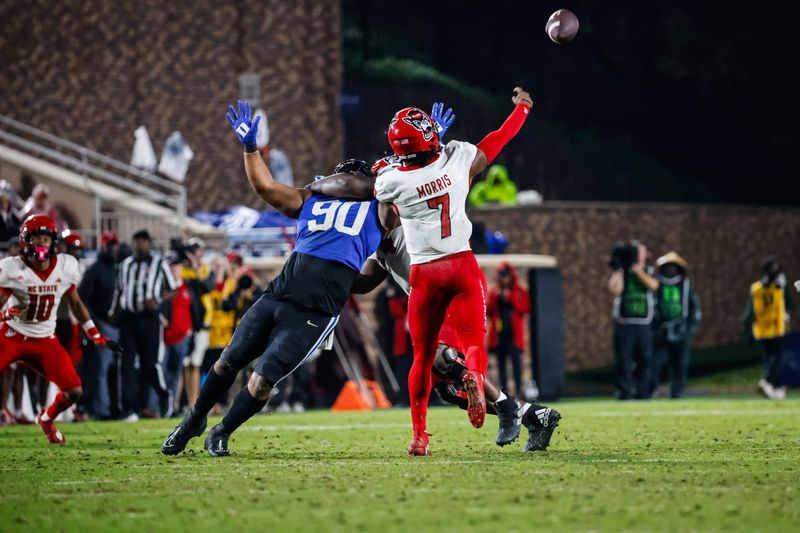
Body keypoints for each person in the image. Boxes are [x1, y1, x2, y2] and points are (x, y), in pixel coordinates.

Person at [161, 101, 384, 457]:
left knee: (262, 380)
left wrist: (381, 264)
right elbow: (264, 186)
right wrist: (250, 149)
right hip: (278, 295)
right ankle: (194, 420)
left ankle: (222, 431)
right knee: (226, 362)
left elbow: (364, 281)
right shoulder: (313, 198)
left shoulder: (380, 207)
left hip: (315, 311)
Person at [373, 87, 533, 455]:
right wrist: (522, 109)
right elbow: (496, 141)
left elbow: (385, 200)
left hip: (425, 273)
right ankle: (474, 378)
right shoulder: (457, 158)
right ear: (432, 136)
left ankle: (419, 436)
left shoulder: (393, 180)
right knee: (474, 342)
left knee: (423, 358)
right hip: (461, 265)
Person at [343, 225, 560, 452]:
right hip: (429, 299)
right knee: (450, 391)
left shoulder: (405, 214)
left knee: (441, 357)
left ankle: (507, 406)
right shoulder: (375, 239)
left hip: (452, 289)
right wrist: (329, 273)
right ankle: (535, 415)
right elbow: (364, 282)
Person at [0, 215, 113, 444]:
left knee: (74, 391)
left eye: (46, 238)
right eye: (36, 238)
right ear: (25, 241)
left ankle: (47, 418)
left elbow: (75, 302)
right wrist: (3, 315)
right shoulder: (13, 268)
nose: (42, 243)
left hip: (44, 339)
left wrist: (93, 333)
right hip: (13, 334)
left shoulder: (65, 266)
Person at [111, 229, 177, 420]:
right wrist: (114, 311)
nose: (140, 244)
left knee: (150, 364)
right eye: (136, 241)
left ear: (149, 242)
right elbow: (120, 290)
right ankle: (131, 409)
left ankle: (164, 396)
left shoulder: (159, 263)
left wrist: (157, 300)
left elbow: (173, 289)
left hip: (149, 318)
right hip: (128, 318)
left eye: (143, 241)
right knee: (126, 365)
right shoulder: (126, 265)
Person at [607, 241, 660, 400]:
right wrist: (619, 269)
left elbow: (654, 285)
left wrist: (639, 272)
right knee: (623, 358)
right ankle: (624, 391)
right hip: (624, 323)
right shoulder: (623, 271)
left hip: (644, 323)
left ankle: (643, 391)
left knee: (645, 359)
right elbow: (615, 289)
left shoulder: (649, 271)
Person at [78, 230, 120, 419]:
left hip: (119, 325)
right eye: (109, 244)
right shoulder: (95, 269)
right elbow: (82, 297)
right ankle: (101, 409)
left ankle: (114, 408)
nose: (112, 248)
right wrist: (94, 322)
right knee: (101, 369)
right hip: (103, 325)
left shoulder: (119, 268)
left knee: (115, 370)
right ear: (102, 246)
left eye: (113, 244)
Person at [652, 252, 702, 398]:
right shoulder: (657, 284)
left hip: (681, 330)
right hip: (661, 331)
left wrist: (689, 329)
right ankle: (650, 389)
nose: (670, 270)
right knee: (655, 363)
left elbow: (694, 308)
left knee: (679, 364)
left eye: (673, 267)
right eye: (667, 267)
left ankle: (678, 391)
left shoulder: (686, 285)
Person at [743, 256, 794, 400]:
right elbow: (790, 304)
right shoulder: (778, 286)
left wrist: (747, 327)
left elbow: (749, 311)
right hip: (775, 328)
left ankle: (775, 388)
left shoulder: (756, 288)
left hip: (763, 329)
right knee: (776, 358)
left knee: (770, 359)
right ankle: (767, 381)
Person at [486, 262, 530, 396]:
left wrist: (510, 297)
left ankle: (519, 390)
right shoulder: (495, 292)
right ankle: (504, 392)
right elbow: (489, 310)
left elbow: (524, 309)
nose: (504, 278)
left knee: (517, 363)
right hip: (499, 335)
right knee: (501, 365)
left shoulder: (519, 291)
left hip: (514, 335)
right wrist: (498, 296)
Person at [181, 237, 214, 408]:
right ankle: (183, 402)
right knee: (185, 364)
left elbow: (207, 287)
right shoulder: (182, 269)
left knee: (196, 364)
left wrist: (196, 267)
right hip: (186, 322)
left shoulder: (205, 269)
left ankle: (193, 402)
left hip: (202, 323)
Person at [161, 257, 194, 417]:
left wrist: (191, 328)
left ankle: (172, 405)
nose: (175, 269)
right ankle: (160, 405)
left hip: (182, 336)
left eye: (178, 266)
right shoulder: (162, 288)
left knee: (176, 373)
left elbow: (195, 310)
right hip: (163, 336)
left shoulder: (187, 288)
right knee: (162, 372)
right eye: (172, 266)